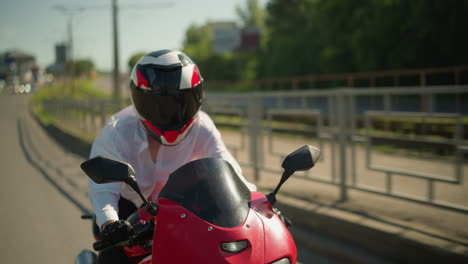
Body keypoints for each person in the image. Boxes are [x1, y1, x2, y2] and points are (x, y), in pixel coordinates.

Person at [87, 49, 257, 264]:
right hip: (127, 210)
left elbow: (230, 169)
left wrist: (258, 204)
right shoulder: (117, 130)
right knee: (113, 257)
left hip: (180, 209)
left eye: (179, 104)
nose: (168, 114)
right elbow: (103, 191)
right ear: (137, 99)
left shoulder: (202, 126)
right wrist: (110, 223)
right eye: (157, 105)